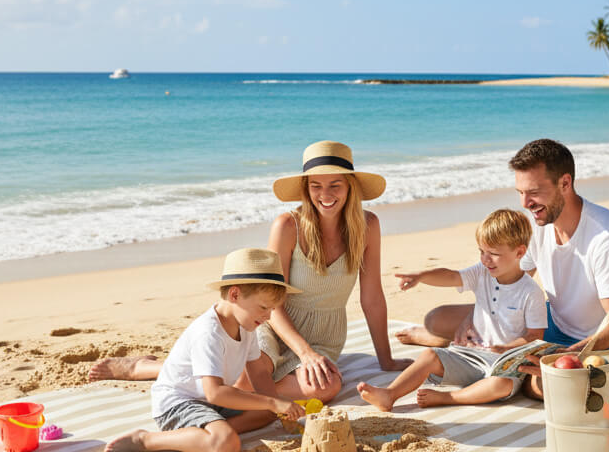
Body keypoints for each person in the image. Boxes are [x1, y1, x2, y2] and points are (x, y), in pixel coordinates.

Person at [90, 140, 408, 397]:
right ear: (306, 188)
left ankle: (220, 382)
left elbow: (372, 298)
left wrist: (386, 360)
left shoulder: (368, 226)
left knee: (325, 388)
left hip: (326, 334)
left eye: (335, 185)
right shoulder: (288, 226)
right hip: (271, 322)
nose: (325, 195)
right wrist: (304, 352)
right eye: (316, 186)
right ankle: (148, 368)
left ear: (350, 186)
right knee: (241, 383)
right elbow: (273, 300)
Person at [400, 139, 609, 399]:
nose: (525, 203)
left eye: (533, 192)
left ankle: (460, 349)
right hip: (551, 323)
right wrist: (477, 317)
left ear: (565, 183)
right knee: (437, 319)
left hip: (595, 343)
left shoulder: (607, 237)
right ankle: (445, 340)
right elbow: (512, 282)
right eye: (520, 192)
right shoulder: (540, 224)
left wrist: (565, 356)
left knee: (538, 387)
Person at [103, 248, 304, 452]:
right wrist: (273, 403)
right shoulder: (209, 333)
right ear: (235, 295)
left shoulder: (247, 325)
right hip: (179, 403)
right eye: (264, 307)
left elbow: (259, 373)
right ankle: (146, 440)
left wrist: (277, 407)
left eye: (272, 309)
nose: (268, 316)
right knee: (226, 444)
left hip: (211, 403)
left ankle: (206, 432)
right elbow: (215, 393)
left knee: (268, 411)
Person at [357, 209, 546, 411]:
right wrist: (422, 276)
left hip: (504, 364)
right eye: (482, 252)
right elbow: (451, 276)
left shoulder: (531, 293)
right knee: (430, 355)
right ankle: (389, 394)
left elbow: (534, 336)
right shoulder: (482, 273)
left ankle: (449, 397)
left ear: (519, 252)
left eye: (493, 254)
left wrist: (506, 348)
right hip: (470, 354)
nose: (485, 259)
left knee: (501, 385)